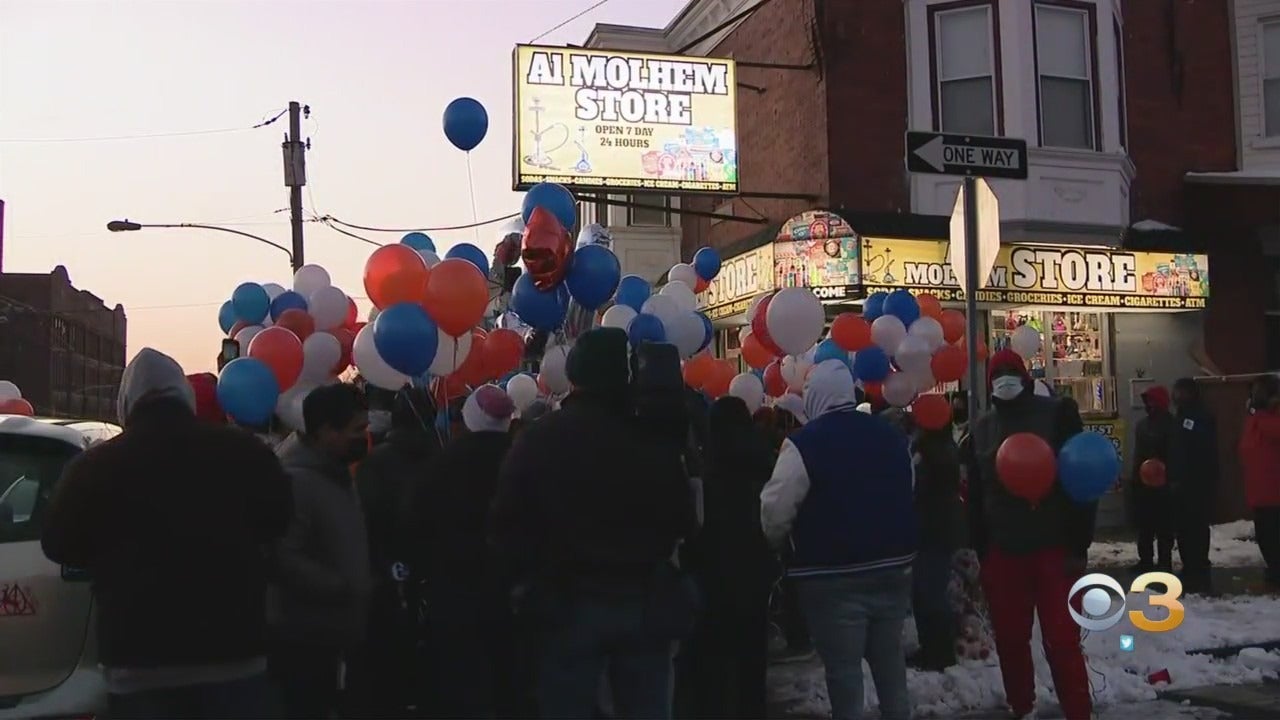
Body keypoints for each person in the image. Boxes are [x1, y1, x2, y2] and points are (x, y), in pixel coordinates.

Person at [42, 348, 292, 719]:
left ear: (126, 403)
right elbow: (278, 520)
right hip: (235, 650)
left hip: (138, 659)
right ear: (184, 395)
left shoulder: (94, 467)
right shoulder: (244, 453)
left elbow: (59, 543)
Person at [490, 328, 697, 720]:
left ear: (574, 375)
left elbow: (508, 522)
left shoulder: (541, 440)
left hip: (566, 601)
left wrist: (525, 584)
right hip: (643, 598)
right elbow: (682, 518)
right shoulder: (653, 440)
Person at [760, 360, 917, 720]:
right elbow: (907, 488)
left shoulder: (803, 444)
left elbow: (776, 509)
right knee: (890, 667)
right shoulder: (891, 436)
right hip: (894, 567)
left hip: (830, 573)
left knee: (844, 675)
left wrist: (777, 545)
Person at [966, 348, 1094, 720]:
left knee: (1064, 641)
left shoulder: (1057, 415)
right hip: (1004, 552)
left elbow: (1079, 481)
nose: (1004, 378)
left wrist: (1078, 545)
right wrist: (983, 549)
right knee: (1010, 641)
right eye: (997, 372)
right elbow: (976, 494)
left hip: (1054, 549)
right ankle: (1021, 707)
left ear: (1024, 375)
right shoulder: (982, 427)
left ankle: (1078, 710)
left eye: (1010, 371)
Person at [413, 385, 520, 718]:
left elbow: (417, 520)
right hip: (513, 588)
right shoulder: (522, 457)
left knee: (462, 679)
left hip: (456, 587)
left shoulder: (445, 462)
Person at [269, 383, 373, 720]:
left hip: (333, 637)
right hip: (305, 643)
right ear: (327, 431)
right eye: (358, 430)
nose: (364, 437)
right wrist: (340, 586)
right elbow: (283, 556)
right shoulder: (296, 481)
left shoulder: (335, 474)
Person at [348, 386, 439, 718]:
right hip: (433, 576)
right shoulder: (442, 459)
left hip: (385, 574)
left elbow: (365, 518)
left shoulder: (376, 463)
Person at [683, 396, 777, 719]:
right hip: (756, 572)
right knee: (753, 659)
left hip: (715, 577)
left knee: (715, 663)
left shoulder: (710, 469)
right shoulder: (765, 463)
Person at [908, 410, 965, 671]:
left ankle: (938, 650)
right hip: (938, 528)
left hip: (931, 529)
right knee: (928, 590)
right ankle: (934, 647)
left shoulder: (930, 454)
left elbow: (921, 489)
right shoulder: (944, 449)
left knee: (929, 591)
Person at [1168, 377, 1219, 595]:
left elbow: (1201, 449)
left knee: (1196, 527)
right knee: (1184, 527)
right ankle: (1189, 567)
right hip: (1182, 482)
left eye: (1179, 392)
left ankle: (1198, 570)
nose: (1176, 396)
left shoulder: (1199, 416)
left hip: (1197, 482)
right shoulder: (1181, 416)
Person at [1241, 374, 1280, 589]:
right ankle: (1274, 571)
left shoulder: (1268, 416)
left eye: (1259, 391)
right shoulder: (1255, 417)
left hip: (1274, 491)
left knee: (1273, 536)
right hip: (1260, 490)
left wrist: (1262, 413)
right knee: (1266, 537)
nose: (1255, 395)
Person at [1131, 385, 1175, 572]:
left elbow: (1175, 453)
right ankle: (1146, 560)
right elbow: (1138, 453)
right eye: (1147, 401)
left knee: (1164, 525)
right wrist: (1135, 477)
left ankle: (1165, 561)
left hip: (1165, 483)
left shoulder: (1171, 425)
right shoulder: (1142, 425)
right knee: (1145, 525)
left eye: (1152, 401)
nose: (1149, 405)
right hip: (1145, 481)